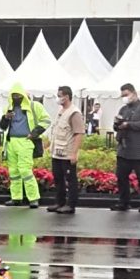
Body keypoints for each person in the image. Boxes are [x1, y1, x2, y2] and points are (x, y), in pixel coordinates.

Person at [0, 83, 50, 208]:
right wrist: (5, 118)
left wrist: (34, 133)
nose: (16, 98)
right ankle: (16, 197)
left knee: (25, 170)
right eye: (14, 95)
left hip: (25, 141)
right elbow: (3, 127)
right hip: (11, 142)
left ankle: (33, 198)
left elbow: (46, 120)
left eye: (18, 95)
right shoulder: (9, 108)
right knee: (13, 171)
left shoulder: (34, 106)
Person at [110, 83, 140, 212]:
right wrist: (117, 124)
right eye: (122, 96)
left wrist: (128, 125)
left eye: (126, 95)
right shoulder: (123, 109)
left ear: (134, 93)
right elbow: (117, 127)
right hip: (124, 149)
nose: (124, 98)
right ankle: (124, 202)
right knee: (121, 177)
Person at [47, 85, 84, 215]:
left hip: (67, 153)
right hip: (57, 152)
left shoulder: (74, 113)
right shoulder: (61, 111)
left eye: (59, 96)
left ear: (66, 97)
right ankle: (60, 202)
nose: (58, 98)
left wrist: (74, 153)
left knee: (70, 180)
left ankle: (71, 205)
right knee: (58, 178)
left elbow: (79, 133)